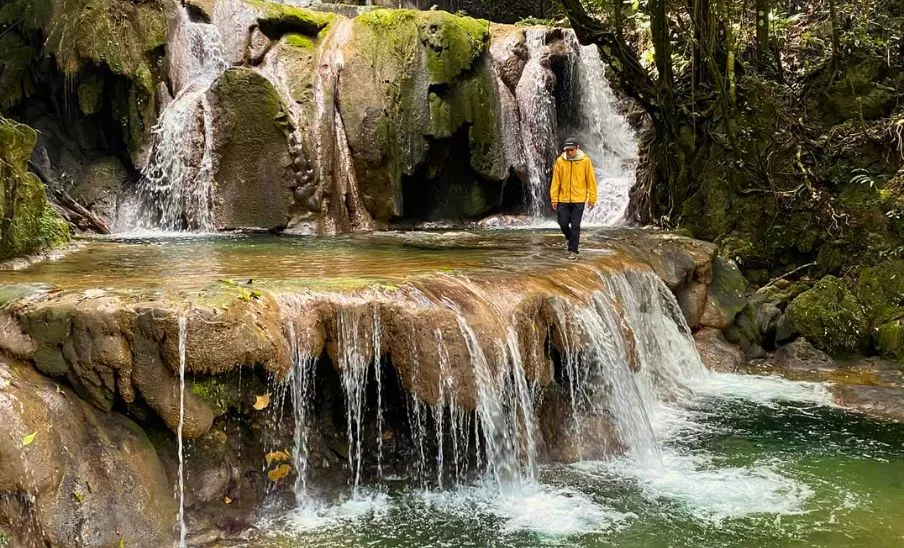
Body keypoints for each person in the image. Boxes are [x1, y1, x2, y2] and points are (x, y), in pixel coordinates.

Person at [550, 137, 597, 260]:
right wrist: (554, 198)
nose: (569, 152)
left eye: (571, 150)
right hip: (563, 199)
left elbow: (591, 180)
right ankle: (571, 238)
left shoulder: (585, 161)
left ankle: (573, 250)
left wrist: (592, 199)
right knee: (563, 223)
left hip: (578, 199)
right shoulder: (560, 161)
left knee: (576, 225)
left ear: (577, 148)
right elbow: (556, 181)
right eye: (567, 150)